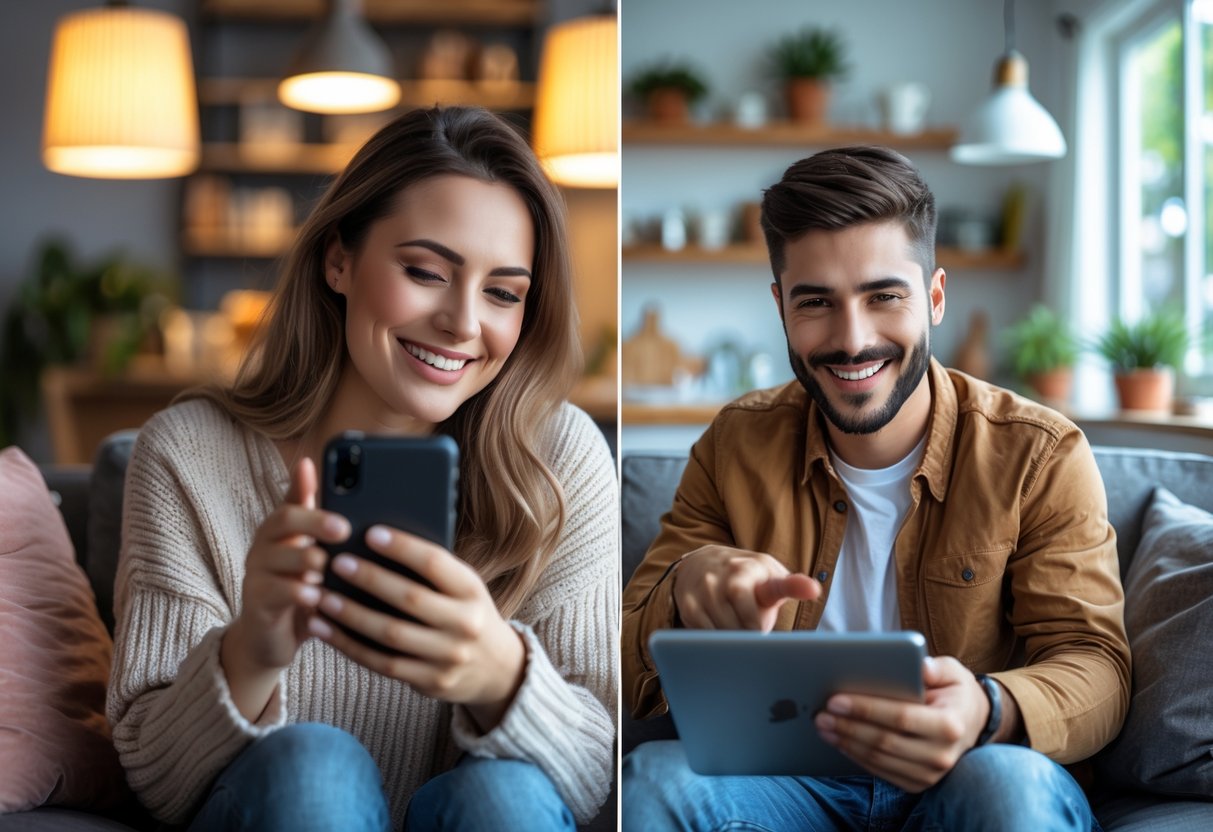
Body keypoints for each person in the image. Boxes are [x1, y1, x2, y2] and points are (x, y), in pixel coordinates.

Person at [106, 106, 618, 832]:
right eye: (425, 271)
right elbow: (153, 776)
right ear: (338, 260)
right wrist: (250, 647)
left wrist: (498, 672)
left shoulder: (558, 460)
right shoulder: (188, 455)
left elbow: (595, 773)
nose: (464, 323)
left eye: (503, 292)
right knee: (314, 765)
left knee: (501, 796)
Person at [620, 146, 1130, 831]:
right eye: (816, 303)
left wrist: (986, 707)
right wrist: (685, 589)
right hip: (783, 785)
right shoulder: (734, 444)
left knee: (1009, 792)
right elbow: (619, 666)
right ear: (779, 308)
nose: (852, 339)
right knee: (656, 782)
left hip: (967, 775)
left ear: (935, 297)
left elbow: (1096, 666)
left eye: (883, 296)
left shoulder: (1038, 454)